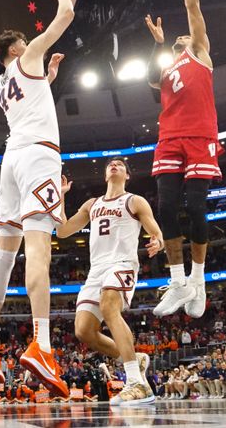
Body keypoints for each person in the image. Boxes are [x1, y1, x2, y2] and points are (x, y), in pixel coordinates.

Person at [0, 0, 75, 399]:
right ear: (18, 48)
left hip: (11, 160)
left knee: (5, 252)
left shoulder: (1, 84)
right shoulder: (29, 55)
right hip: (38, 156)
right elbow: (67, 14)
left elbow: (29, 97)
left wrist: (49, 77)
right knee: (39, 251)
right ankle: (42, 344)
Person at [145, 0, 221, 319]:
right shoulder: (168, 64)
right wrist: (158, 45)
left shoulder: (200, 51)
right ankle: (178, 282)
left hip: (199, 136)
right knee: (167, 206)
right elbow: (152, 83)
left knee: (195, 205)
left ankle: (199, 280)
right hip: (169, 138)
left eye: (181, 36)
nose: (180, 36)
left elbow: (192, 5)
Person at [56, 157, 163, 406]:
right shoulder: (92, 204)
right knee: (83, 331)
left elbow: (155, 230)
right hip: (96, 270)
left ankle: (137, 383)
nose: (114, 166)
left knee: (109, 305)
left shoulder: (134, 200)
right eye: (110, 165)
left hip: (122, 263)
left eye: (121, 165)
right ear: (105, 175)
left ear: (127, 176)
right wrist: (62, 196)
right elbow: (62, 231)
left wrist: (158, 240)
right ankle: (134, 359)